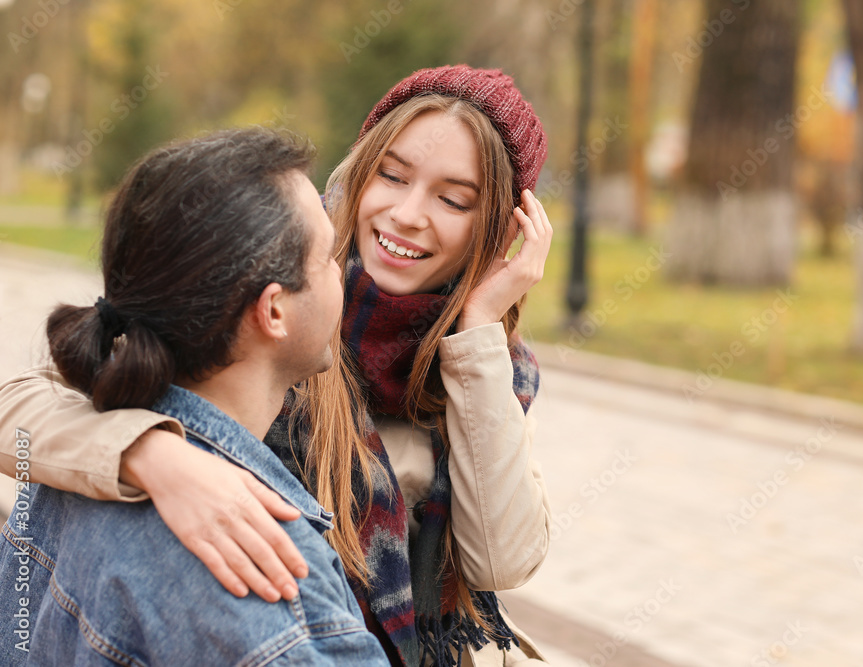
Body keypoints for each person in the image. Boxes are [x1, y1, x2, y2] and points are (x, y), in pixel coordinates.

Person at [0, 65, 552, 666]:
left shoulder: (491, 364)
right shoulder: (279, 285)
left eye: (453, 199)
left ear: (500, 228)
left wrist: (477, 337)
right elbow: (22, 407)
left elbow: (500, 560)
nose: (408, 213)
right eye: (391, 176)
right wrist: (151, 455)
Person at [0, 127, 388, 665]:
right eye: (327, 258)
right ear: (274, 310)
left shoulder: (75, 465)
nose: (346, 271)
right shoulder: (269, 569)